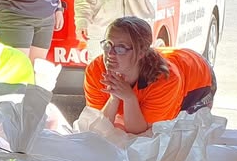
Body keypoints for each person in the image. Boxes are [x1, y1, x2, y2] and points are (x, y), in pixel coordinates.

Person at [84, 16, 216, 134]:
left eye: (121, 48)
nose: (110, 54)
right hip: (169, 60)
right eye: (108, 45)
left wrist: (129, 98)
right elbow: (99, 128)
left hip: (198, 79)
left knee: (182, 140)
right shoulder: (95, 71)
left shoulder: (165, 80)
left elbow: (140, 132)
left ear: (141, 52)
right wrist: (114, 98)